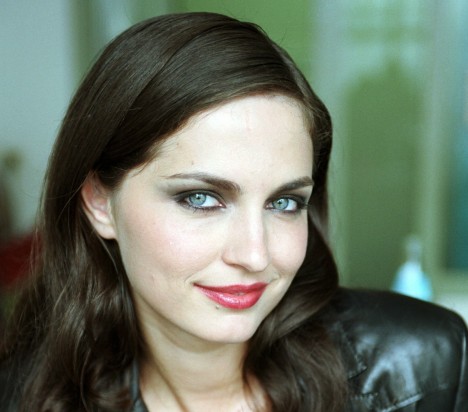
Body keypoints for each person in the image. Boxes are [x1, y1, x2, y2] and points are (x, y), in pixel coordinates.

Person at [0, 12, 466, 412]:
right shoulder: (23, 396)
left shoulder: (424, 366)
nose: (255, 255)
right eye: (201, 198)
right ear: (100, 201)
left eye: (284, 203)